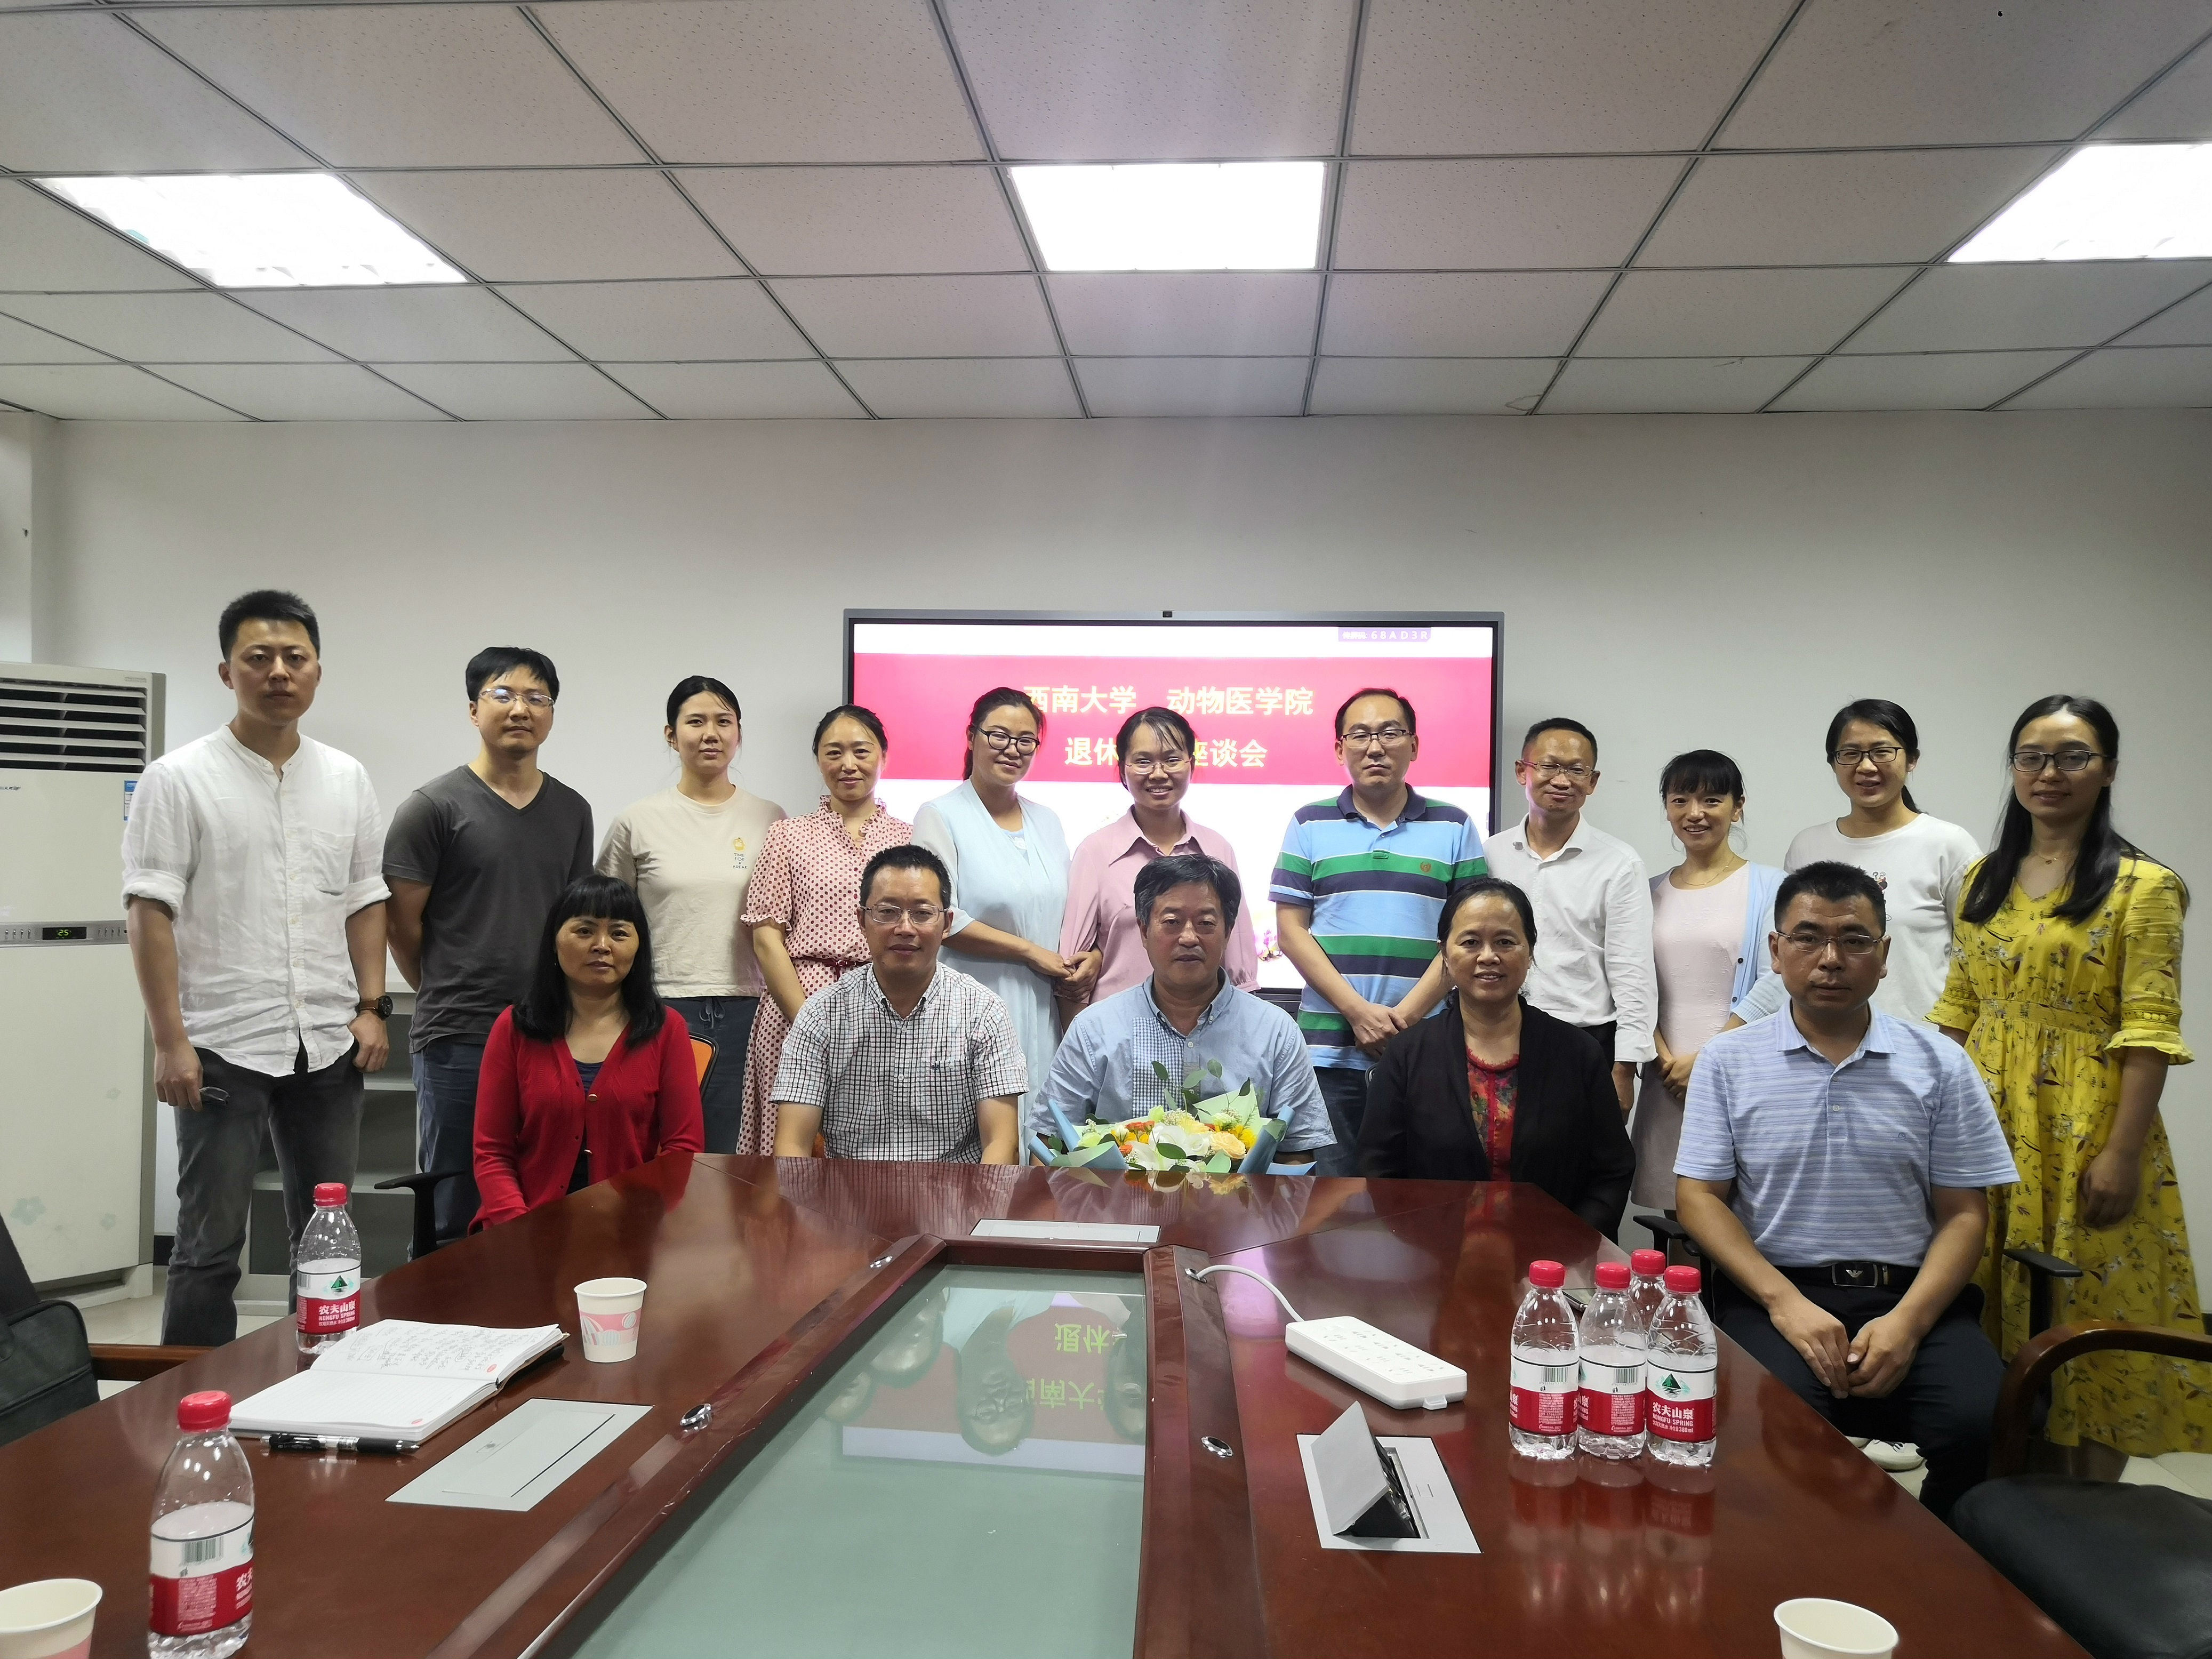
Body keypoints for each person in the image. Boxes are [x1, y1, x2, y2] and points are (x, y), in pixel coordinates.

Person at [1674, 862, 2019, 1521]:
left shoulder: (1940, 1063)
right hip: (1777, 1295)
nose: (1830, 959)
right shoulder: (1728, 1060)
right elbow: (1698, 1197)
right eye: (1806, 938)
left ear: (1883, 956)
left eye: (1854, 940)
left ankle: (1943, 1561)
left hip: (1911, 1298)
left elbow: (1963, 1215)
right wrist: (1783, 1303)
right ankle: (1809, 1562)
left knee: (1980, 1422)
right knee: (1775, 1420)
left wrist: (1907, 1324)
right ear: (1775, 951)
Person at [1931, 695, 2208, 1460]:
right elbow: (1957, 1010)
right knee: (1977, 1291)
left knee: (2087, 1297)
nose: (2048, 773)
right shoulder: (1982, 878)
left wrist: (2121, 1152)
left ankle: (2082, 1498)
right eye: (2032, 757)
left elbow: (2149, 1030)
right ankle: (1996, 1484)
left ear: (2107, 769)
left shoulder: (2144, 887)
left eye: (2072, 756)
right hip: (1983, 1116)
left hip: (2086, 1123)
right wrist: (1926, 1123)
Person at [122, 590, 389, 1346]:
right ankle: (185, 1396)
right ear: (227, 671)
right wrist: (169, 1041)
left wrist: (372, 1006)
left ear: (317, 671)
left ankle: (324, 1375)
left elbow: (366, 898)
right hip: (220, 1042)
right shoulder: (178, 777)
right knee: (209, 1246)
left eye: (294, 657)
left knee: (327, 1234)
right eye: (259, 657)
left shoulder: (346, 777)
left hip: (327, 1041)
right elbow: (149, 911)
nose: (279, 672)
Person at [385, 646, 593, 1244]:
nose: (520, 709)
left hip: (550, 1033)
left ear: (551, 715)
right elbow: (402, 926)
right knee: (456, 1203)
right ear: (474, 710)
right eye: (503, 694)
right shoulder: (432, 808)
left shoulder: (573, 810)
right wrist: (445, 988)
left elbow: (575, 924)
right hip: (460, 1034)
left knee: (544, 1196)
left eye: (536, 697)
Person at [1271, 688, 1487, 1176]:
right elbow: (1290, 932)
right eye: (1360, 735)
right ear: (1339, 748)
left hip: (1428, 1047)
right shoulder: (1308, 823)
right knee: (1332, 1200)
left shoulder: (1455, 825)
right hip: (1329, 1052)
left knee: (1424, 1198)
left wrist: (1404, 1021)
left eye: (1390, 733)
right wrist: (1358, 1012)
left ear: (1414, 745)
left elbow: (1470, 938)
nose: (1375, 747)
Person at [1358, 878, 1635, 1234]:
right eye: (1471, 942)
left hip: (1552, 1256)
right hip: (1436, 1253)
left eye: (1505, 941)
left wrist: (1568, 1244)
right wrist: (1427, 1247)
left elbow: (1612, 1172)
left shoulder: (1579, 1052)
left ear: (1530, 951)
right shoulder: (1407, 1054)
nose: (1488, 956)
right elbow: (1379, 1171)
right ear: (1445, 954)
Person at [1044, 853, 1333, 1167]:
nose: (1188, 937)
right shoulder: (1094, 1028)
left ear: (1228, 931)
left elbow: (1297, 1153)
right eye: (1172, 922)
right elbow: (1050, 1145)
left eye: (1206, 923)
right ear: (1144, 931)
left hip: (1240, 1199)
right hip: (1118, 1200)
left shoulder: (1276, 1032)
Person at [597, 676, 784, 1155]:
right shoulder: (637, 821)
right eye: (696, 721)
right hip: (660, 1005)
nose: (710, 734)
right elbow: (606, 922)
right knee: (655, 1149)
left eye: (724, 722)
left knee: (731, 1153)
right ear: (671, 734)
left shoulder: (771, 819)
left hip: (749, 1008)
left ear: (739, 733)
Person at [472, 875, 704, 1227]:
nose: (602, 945)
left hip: (629, 1234)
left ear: (639, 947)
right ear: (554, 942)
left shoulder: (667, 1029)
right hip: (521, 1229)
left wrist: (638, 1225)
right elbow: (492, 1152)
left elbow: (683, 1149)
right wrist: (518, 1229)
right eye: (584, 931)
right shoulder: (514, 1027)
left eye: (619, 933)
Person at [771, 845, 1025, 1164]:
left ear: (947, 923)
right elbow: (792, 1146)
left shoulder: (984, 1013)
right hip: (847, 1192)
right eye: (887, 912)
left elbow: (1002, 1144)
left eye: (922, 913)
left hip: (957, 1191)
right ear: (862, 920)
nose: (905, 928)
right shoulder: (822, 1015)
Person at [1732, 699, 1978, 1028]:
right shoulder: (1808, 847)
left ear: (1912, 759)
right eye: (1850, 754)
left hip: (1920, 1040)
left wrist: (1952, 1041)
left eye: (1882, 752)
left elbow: (1976, 958)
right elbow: (1793, 952)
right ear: (1833, 763)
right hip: (1817, 1040)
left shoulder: (1949, 845)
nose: (1866, 767)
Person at [738, 705, 914, 1156]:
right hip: (794, 1005)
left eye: (861, 751)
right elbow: (766, 937)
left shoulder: (909, 838)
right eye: (834, 752)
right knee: (791, 1151)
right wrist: (809, 1022)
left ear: (884, 756)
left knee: (874, 1145)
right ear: (818, 759)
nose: (848, 764)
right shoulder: (787, 835)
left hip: (882, 1006)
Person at [912, 689, 1075, 1128]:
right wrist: (1029, 951)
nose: (1012, 749)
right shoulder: (940, 815)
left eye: (1026, 740)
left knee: (1039, 1127)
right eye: (999, 735)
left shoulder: (1048, 820)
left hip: (1045, 1005)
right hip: (972, 1000)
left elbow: (1070, 909)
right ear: (972, 737)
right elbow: (940, 917)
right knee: (976, 1133)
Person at [1630, 751, 1784, 1211]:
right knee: (1679, 1210)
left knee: (1742, 1210)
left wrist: (1710, 1059)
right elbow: (1632, 979)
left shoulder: (1773, 886)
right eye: (1680, 800)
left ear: (1738, 807)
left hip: (1742, 1071)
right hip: (1666, 1079)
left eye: (1712, 800)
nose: (1694, 813)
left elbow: (1777, 980)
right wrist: (1663, 1057)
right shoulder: (1645, 890)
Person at [1481, 717, 1655, 1119]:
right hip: (1495, 1038)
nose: (1562, 780)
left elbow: (1632, 970)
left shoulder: (1619, 863)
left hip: (1586, 1042)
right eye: (1549, 766)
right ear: (1522, 771)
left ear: (1592, 782)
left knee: (1578, 1157)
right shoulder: (1490, 855)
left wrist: (1625, 1066)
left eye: (1576, 770)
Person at [1059, 704, 1260, 1008]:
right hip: (1117, 1027)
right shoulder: (1095, 853)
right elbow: (1072, 973)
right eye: (1143, 761)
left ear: (1191, 764)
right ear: (1123, 768)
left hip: (1205, 1027)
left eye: (1172, 760)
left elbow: (1239, 968)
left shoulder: (1217, 849)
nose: (1158, 774)